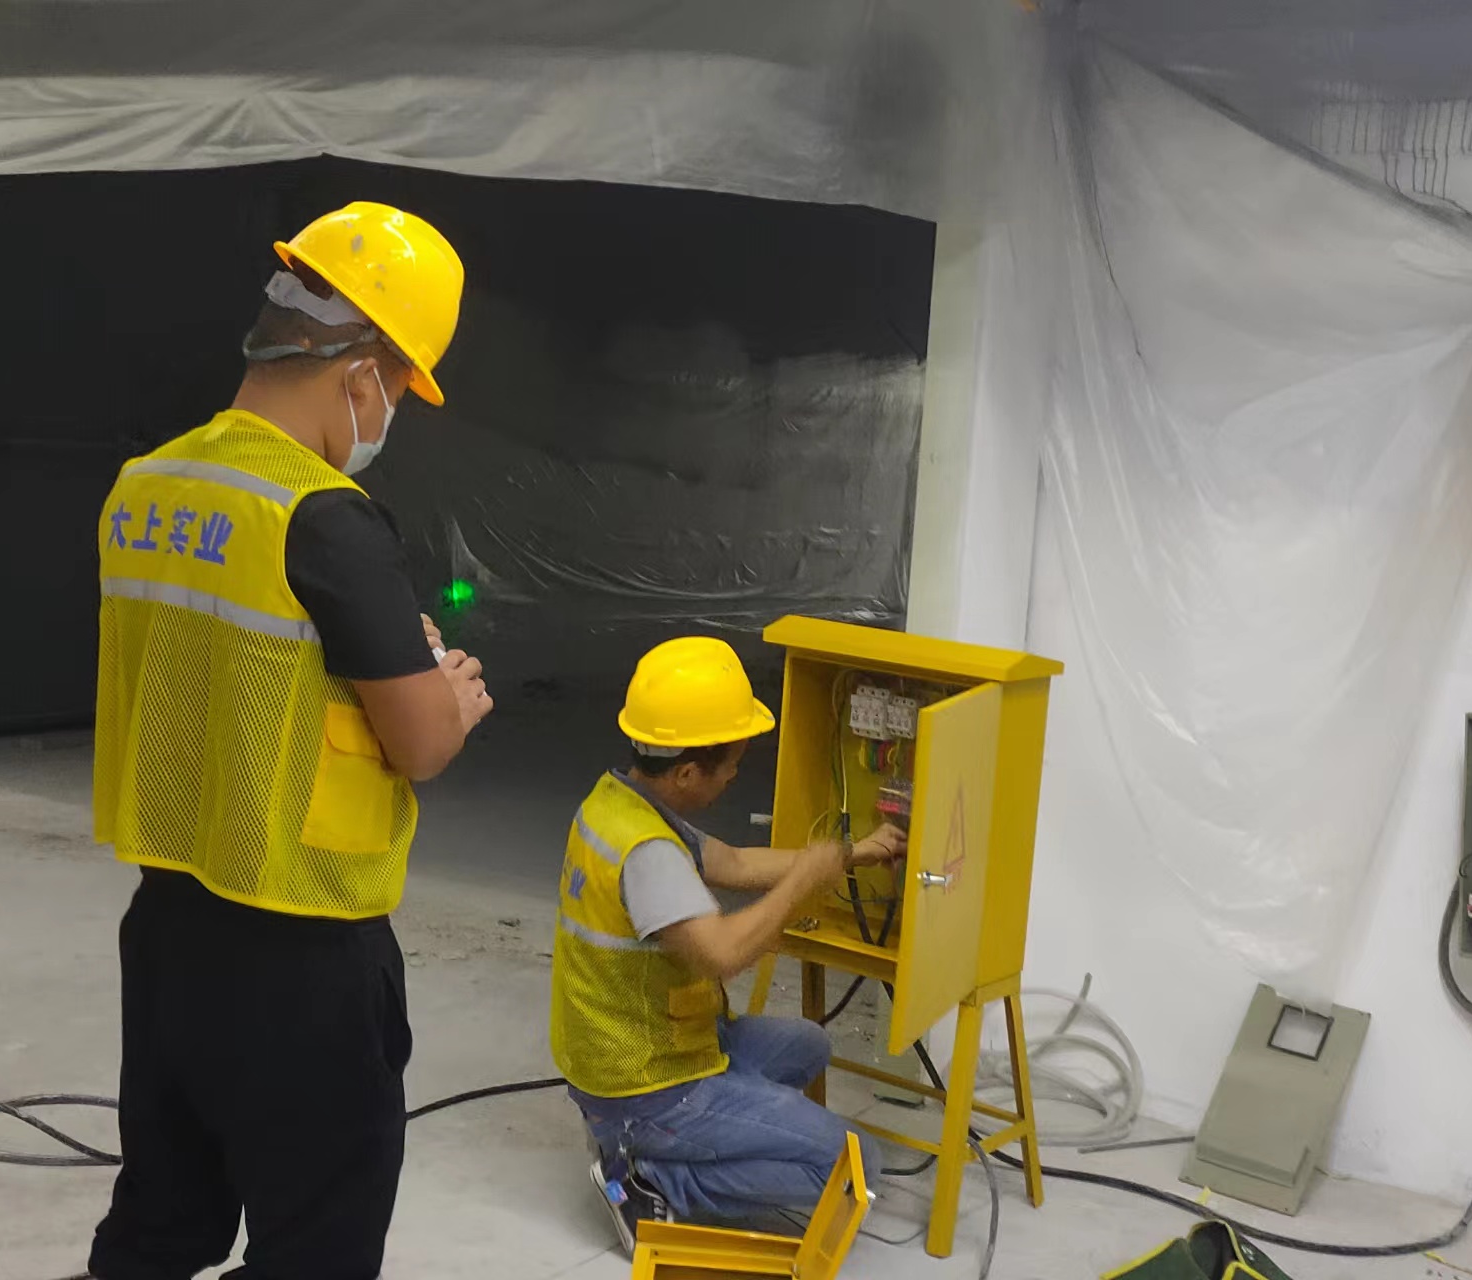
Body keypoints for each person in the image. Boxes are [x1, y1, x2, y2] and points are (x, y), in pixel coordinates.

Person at [88, 200, 492, 1280]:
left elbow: (235, 665)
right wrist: (450, 696)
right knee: (318, 1245)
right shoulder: (325, 517)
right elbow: (420, 745)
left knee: (159, 1224)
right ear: (360, 371)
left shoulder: (145, 486)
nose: (392, 411)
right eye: (399, 386)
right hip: (303, 954)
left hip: (169, 927)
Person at [552, 636, 905, 1250]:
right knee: (854, 1167)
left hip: (649, 1051)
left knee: (808, 1045)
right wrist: (802, 882)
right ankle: (649, 1180)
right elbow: (724, 954)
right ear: (688, 772)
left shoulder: (618, 802)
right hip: (646, 1087)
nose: (737, 773)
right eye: (731, 764)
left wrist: (849, 854)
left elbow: (735, 863)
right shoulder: (648, 854)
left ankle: (682, 1135)